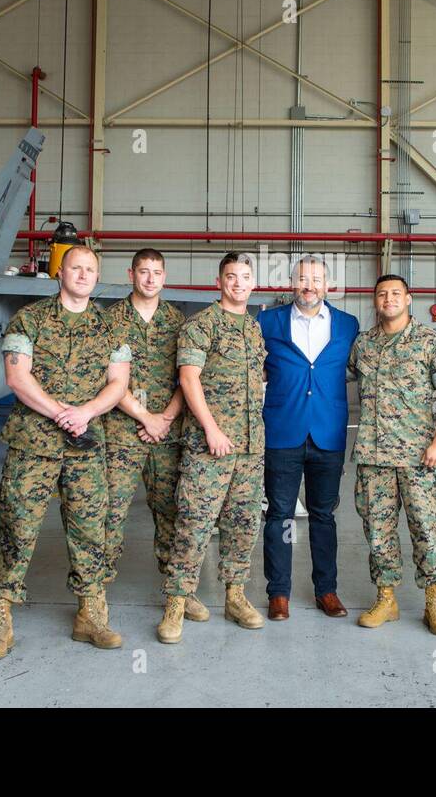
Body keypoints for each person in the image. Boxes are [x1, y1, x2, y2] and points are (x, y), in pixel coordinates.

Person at [0, 244, 131, 659]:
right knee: (17, 530)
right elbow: (16, 377)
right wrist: (61, 412)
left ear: (97, 277)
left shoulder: (110, 326)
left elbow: (118, 382)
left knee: (90, 532)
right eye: (75, 268)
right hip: (34, 443)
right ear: (59, 273)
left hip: (86, 446)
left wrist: (85, 412)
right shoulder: (28, 319)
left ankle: (91, 615)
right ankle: (1, 621)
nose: (83, 275)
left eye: (90, 269)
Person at [157, 252, 267, 644]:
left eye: (245, 277)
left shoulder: (253, 329)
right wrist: (212, 430)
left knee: (242, 524)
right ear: (219, 281)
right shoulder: (201, 325)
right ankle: (177, 601)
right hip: (210, 446)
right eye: (231, 276)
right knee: (194, 523)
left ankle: (235, 596)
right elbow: (189, 380)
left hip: (250, 447)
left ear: (253, 283)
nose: (238, 283)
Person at [102, 248, 209, 623]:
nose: (150, 279)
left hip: (167, 431)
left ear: (165, 277)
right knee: (110, 513)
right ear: (130, 274)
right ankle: (95, 596)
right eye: (143, 272)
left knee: (171, 513)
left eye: (157, 272)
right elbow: (109, 379)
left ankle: (180, 593)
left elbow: (188, 376)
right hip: (122, 431)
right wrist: (145, 417)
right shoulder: (110, 320)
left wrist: (163, 418)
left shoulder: (180, 322)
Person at [348, 274, 436, 635]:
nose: (389, 299)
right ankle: (386, 599)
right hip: (374, 455)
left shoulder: (430, 341)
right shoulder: (363, 344)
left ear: (409, 299)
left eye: (396, 293)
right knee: (378, 532)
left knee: (426, 530)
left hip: (419, 456)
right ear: (375, 301)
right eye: (382, 294)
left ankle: (434, 603)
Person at [257, 255, 358, 620]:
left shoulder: (348, 324)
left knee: (323, 516)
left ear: (327, 285)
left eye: (316, 279)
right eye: (303, 278)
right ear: (291, 283)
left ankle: (326, 590)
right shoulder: (267, 321)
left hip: (328, 434)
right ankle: (278, 593)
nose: (309, 285)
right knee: (280, 515)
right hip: (282, 430)